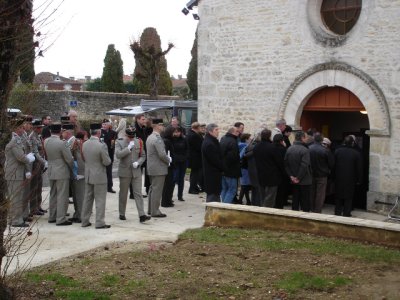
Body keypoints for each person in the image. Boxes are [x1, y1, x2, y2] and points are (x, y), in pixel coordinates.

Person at [115, 128, 151, 223]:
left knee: (138, 193)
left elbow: (143, 155)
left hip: (136, 171)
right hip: (124, 171)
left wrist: (138, 163)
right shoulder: (119, 142)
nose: (131, 138)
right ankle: (122, 213)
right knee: (123, 193)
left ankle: (142, 215)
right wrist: (128, 149)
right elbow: (118, 155)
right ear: (126, 135)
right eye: (129, 136)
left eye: (132, 136)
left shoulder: (138, 141)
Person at [5, 119, 35, 227]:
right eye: (21, 127)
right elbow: (20, 156)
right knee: (16, 198)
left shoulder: (16, 139)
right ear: (16, 128)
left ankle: (16, 218)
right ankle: (16, 221)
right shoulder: (14, 141)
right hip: (14, 172)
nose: (23, 129)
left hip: (16, 172)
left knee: (17, 197)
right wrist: (29, 159)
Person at [81, 123, 112, 229]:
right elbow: (107, 162)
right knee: (100, 199)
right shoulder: (101, 145)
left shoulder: (85, 144)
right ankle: (99, 222)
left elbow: (84, 158)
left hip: (89, 174)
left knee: (87, 199)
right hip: (99, 175)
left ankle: (84, 220)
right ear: (99, 133)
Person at [44, 123, 74, 225]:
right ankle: (60, 218)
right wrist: (71, 169)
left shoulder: (46, 141)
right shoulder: (62, 143)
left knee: (53, 194)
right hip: (61, 170)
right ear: (60, 131)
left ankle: (52, 216)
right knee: (62, 195)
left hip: (51, 169)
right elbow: (69, 159)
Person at [254, 129, 286, 208]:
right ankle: (266, 214)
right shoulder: (272, 147)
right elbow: (279, 162)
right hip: (272, 176)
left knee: (263, 197)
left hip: (261, 175)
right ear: (269, 136)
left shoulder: (256, 147)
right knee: (270, 198)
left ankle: (263, 211)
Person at [146, 118, 171, 217]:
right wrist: (168, 159)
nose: (163, 127)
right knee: (157, 190)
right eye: (161, 125)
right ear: (156, 126)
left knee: (152, 189)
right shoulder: (157, 138)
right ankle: (155, 211)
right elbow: (161, 154)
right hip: (158, 167)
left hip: (152, 167)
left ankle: (150, 209)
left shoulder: (150, 137)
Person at [334, 135, 362, 217]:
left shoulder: (337, 151)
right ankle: (346, 212)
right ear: (352, 143)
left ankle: (337, 212)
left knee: (338, 195)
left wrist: (332, 177)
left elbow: (333, 165)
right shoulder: (356, 153)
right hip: (351, 178)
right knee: (348, 197)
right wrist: (359, 179)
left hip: (338, 177)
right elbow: (359, 168)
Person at [284, 131, 312, 212]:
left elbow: (286, 164)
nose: (307, 139)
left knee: (295, 201)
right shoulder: (305, 150)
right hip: (304, 180)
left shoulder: (289, 148)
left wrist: (291, 176)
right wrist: (298, 178)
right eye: (306, 137)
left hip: (293, 180)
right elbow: (304, 165)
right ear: (302, 138)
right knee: (305, 202)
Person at [309, 133, 334, 213]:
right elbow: (331, 164)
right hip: (322, 175)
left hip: (311, 174)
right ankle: (317, 210)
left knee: (312, 191)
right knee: (320, 193)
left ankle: (312, 208)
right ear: (321, 140)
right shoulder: (325, 150)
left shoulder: (309, 148)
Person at [28, 119, 47, 216]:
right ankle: (33, 208)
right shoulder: (32, 137)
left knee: (39, 186)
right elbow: (35, 152)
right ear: (35, 128)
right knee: (34, 187)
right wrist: (43, 162)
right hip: (35, 164)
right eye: (39, 127)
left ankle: (38, 206)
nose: (40, 129)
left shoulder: (37, 136)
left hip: (39, 164)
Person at [201, 123, 223, 202]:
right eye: (216, 130)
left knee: (215, 195)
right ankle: (211, 213)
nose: (218, 132)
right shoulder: (209, 143)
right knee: (212, 197)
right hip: (212, 174)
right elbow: (215, 160)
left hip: (214, 173)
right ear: (210, 132)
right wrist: (223, 167)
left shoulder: (212, 141)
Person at [69, 130, 87, 223]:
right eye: (86, 136)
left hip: (78, 173)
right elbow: (79, 159)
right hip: (79, 173)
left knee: (78, 196)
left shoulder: (78, 144)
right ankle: (78, 214)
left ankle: (80, 215)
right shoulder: (79, 144)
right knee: (78, 196)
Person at [220, 126, 241, 203]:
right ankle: (224, 208)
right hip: (231, 171)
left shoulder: (223, 139)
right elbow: (233, 157)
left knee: (225, 189)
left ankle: (221, 205)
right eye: (237, 131)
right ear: (232, 132)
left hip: (223, 169)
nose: (239, 133)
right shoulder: (233, 141)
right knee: (232, 190)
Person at [273, 134, 290, 209]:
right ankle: (279, 206)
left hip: (273, 172)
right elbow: (285, 161)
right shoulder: (283, 149)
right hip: (282, 173)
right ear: (281, 140)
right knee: (280, 191)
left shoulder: (271, 147)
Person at [101, 119, 117, 193]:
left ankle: (109, 187)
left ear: (109, 125)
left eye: (105, 124)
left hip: (110, 154)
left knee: (109, 172)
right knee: (101, 171)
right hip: (102, 154)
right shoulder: (100, 132)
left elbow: (113, 143)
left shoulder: (113, 133)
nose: (104, 126)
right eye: (103, 124)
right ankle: (102, 187)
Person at [187, 122, 204, 194]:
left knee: (194, 173)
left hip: (193, 157)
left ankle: (194, 187)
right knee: (195, 174)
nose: (201, 129)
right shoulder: (194, 136)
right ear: (197, 128)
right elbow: (198, 147)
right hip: (195, 158)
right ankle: (192, 189)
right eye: (200, 127)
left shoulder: (192, 134)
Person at [171, 126, 188, 201]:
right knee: (174, 178)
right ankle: (170, 195)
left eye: (178, 132)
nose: (176, 133)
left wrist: (185, 157)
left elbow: (187, 149)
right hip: (175, 162)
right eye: (175, 132)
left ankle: (180, 195)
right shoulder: (171, 140)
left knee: (181, 179)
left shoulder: (184, 139)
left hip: (183, 161)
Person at [161, 125, 175, 207]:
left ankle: (168, 200)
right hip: (168, 165)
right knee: (168, 185)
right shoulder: (166, 141)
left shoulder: (169, 140)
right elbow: (166, 153)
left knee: (170, 184)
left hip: (171, 164)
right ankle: (166, 201)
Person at [238, 133, 251, 205]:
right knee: (244, 185)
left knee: (244, 185)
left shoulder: (239, 144)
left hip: (241, 167)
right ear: (246, 139)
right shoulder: (245, 146)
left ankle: (247, 201)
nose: (250, 139)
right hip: (245, 167)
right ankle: (240, 201)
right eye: (249, 138)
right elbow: (241, 156)